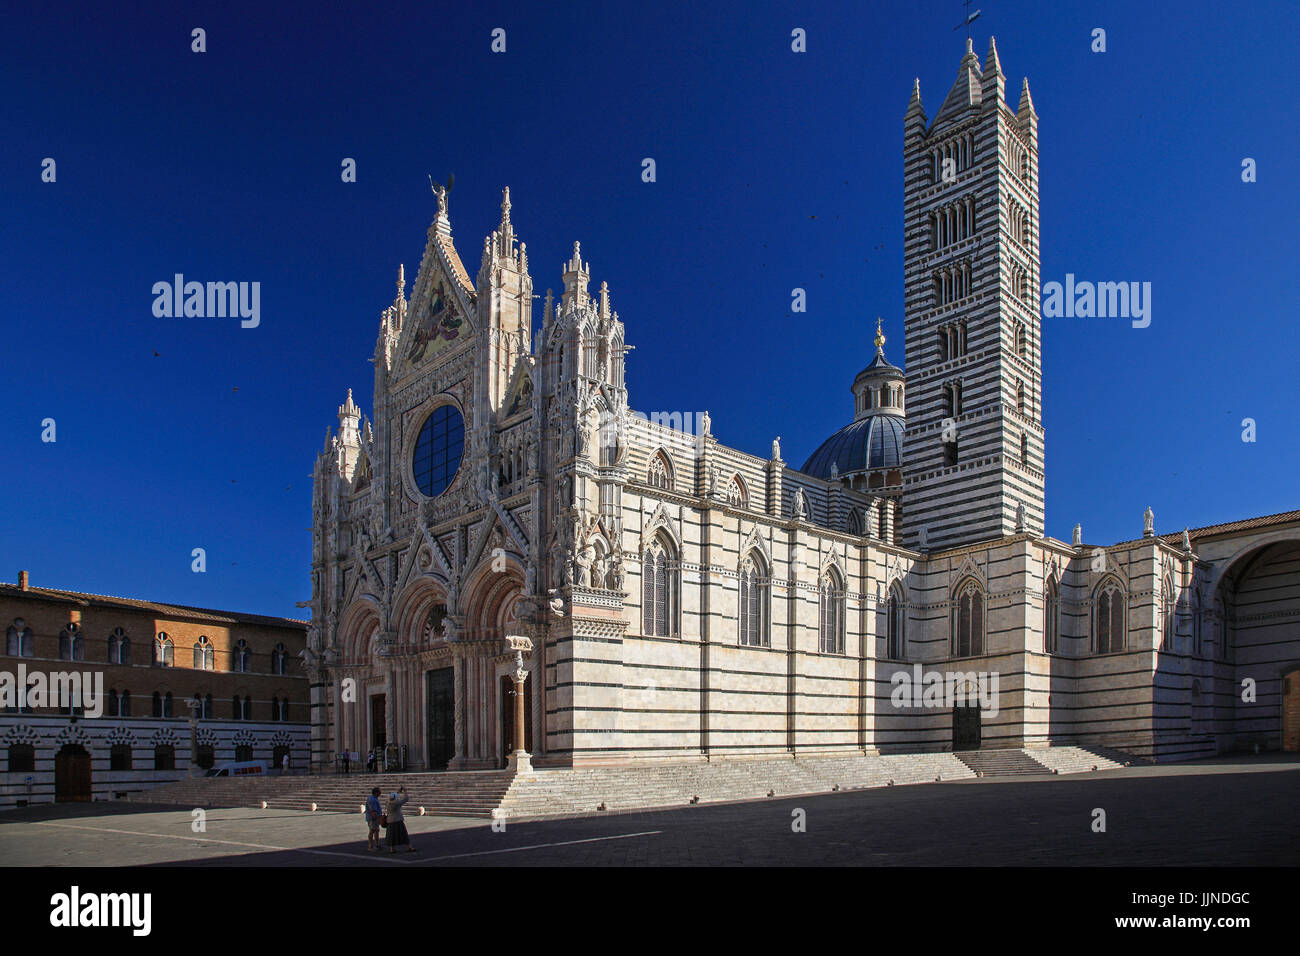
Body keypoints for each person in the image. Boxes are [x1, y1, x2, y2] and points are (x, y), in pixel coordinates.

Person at [385, 786, 415, 853]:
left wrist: (398, 792)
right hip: (398, 820)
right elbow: (406, 798)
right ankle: (409, 847)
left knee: (391, 836)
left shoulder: (387, 802)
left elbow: (393, 796)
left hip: (390, 821)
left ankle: (391, 849)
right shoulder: (396, 803)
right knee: (404, 834)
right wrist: (405, 791)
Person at [364, 787, 382, 851]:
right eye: (380, 792)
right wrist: (378, 819)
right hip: (373, 818)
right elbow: (373, 811)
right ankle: (370, 846)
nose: (380, 793)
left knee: (376, 830)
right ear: (376, 792)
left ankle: (377, 844)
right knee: (372, 830)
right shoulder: (372, 800)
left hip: (373, 817)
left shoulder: (373, 798)